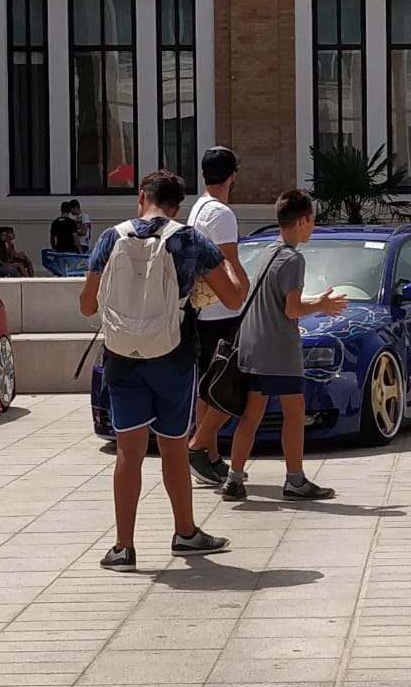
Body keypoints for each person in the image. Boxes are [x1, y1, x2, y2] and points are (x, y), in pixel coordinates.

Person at [78, 169, 247, 571]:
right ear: (177, 207)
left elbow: (87, 305)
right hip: (172, 356)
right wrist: (230, 263)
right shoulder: (188, 239)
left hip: (122, 357)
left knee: (128, 451)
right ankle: (185, 533)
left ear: (142, 197)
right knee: (173, 445)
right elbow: (234, 297)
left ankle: (123, 548)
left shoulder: (110, 237)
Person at [223, 189, 346, 502]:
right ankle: (295, 479)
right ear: (302, 220)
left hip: (252, 345)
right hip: (278, 349)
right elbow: (291, 310)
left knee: (252, 414)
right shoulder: (293, 259)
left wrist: (315, 302)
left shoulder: (269, 251)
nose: (313, 228)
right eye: (312, 222)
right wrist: (321, 304)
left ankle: (234, 479)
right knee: (295, 411)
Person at [185, 147, 247, 488]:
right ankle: (198, 448)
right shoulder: (222, 214)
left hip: (203, 308)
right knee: (228, 386)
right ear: (232, 175)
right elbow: (228, 261)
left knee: (208, 384)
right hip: (223, 309)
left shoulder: (198, 208)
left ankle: (209, 454)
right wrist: (244, 289)